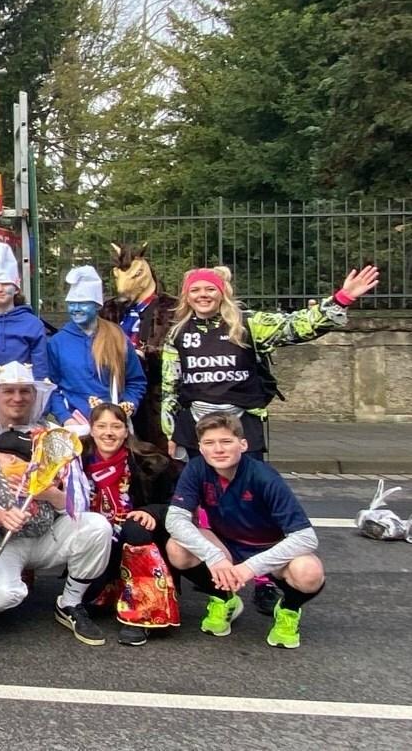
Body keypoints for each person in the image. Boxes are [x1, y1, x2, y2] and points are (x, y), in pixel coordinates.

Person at [162, 264, 378, 460]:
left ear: (222, 293)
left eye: (210, 289)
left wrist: (341, 299)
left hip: (242, 423)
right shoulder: (177, 333)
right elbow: (170, 388)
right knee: (202, 495)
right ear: (186, 296)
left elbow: (296, 326)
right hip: (195, 426)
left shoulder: (248, 323)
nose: (203, 295)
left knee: (248, 495)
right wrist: (170, 434)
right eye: (195, 290)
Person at [165, 412, 325, 649]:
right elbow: (175, 519)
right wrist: (214, 556)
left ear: (243, 444)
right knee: (176, 548)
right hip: (227, 544)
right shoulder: (197, 469)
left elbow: (306, 538)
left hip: (269, 548)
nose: (218, 449)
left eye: (226, 441)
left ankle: (289, 610)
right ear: (200, 447)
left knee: (309, 572)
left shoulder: (264, 476)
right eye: (209, 443)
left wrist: (251, 567)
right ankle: (224, 599)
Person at [0, 426, 114, 646]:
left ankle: (70, 602)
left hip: (46, 537)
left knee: (98, 526)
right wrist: (0, 515)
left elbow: (79, 508)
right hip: (3, 542)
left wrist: (52, 495)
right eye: (6, 459)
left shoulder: (49, 469)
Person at [81, 402, 180, 646]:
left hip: (134, 534)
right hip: (95, 536)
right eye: (101, 426)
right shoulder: (78, 460)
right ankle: (99, 593)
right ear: (91, 430)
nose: (108, 433)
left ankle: (143, 613)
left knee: (136, 527)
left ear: (126, 431)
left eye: (116, 426)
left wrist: (151, 512)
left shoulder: (150, 460)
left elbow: (178, 503)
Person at [48, 266, 145, 425]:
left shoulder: (117, 337)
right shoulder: (57, 342)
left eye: (83, 303)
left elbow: (135, 381)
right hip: (75, 425)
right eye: (72, 304)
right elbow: (51, 387)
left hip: (113, 424)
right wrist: (66, 418)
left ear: (97, 305)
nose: (76, 309)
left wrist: (127, 406)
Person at [103, 243, 176, 446]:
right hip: (116, 391)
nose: (122, 287)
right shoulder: (109, 310)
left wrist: (149, 355)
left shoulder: (172, 310)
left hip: (156, 395)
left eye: (135, 276)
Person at [0, 243, 50, 381]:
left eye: (5, 284)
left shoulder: (32, 324)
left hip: (21, 394)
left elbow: (40, 369)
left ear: (16, 288)